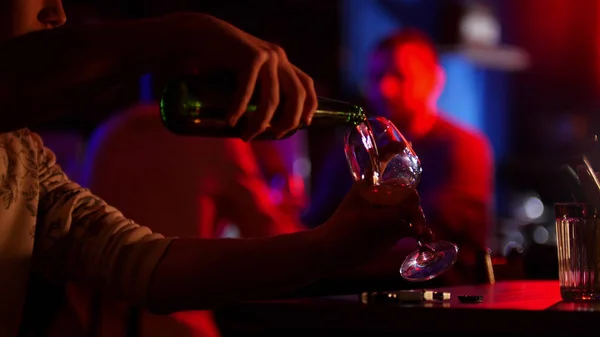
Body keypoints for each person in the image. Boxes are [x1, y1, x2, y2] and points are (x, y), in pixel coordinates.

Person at [0, 1, 425, 336]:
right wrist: (188, 31)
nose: (58, 14)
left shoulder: (39, 150)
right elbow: (268, 226)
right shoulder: (216, 146)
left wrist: (330, 245)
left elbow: (137, 261)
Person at [305, 29, 495, 285]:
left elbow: (439, 235)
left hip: (446, 299)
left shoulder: (463, 146)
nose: (385, 88)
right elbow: (316, 222)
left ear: (435, 80)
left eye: (399, 75)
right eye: (376, 76)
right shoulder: (354, 149)